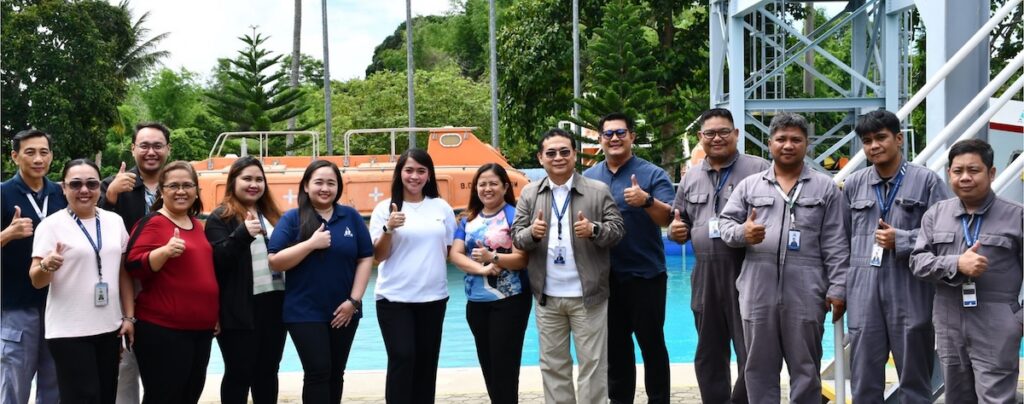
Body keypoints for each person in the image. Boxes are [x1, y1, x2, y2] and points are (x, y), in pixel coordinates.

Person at [718, 113, 848, 404]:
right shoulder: (750, 186)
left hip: (807, 288)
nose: (788, 145)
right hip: (757, 287)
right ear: (770, 144)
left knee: (806, 368)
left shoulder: (825, 188)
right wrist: (743, 233)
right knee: (758, 368)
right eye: (781, 139)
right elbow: (725, 225)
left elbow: (837, 243)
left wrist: (838, 287)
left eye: (796, 140)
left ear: (807, 144)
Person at [842, 109, 951, 403]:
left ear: (899, 139)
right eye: (867, 141)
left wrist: (902, 239)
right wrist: (840, 289)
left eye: (881, 138)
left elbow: (946, 235)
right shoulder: (853, 185)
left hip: (911, 288)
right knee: (864, 379)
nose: (874, 146)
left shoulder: (927, 182)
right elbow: (839, 242)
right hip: (863, 291)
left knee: (915, 379)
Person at [511, 128, 625, 404]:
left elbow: (618, 231)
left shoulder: (597, 191)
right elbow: (516, 236)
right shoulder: (529, 193)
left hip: (589, 296)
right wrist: (532, 233)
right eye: (551, 153)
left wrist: (594, 230)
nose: (558, 157)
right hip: (547, 297)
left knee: (593, 366)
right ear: (540, 158)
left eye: (565, 151)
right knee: (553, 366)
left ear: (575, 154)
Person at [910, 139, 1023, 403]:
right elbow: (918, 262)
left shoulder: (1016, 216)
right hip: (948, 317)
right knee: (957, 396)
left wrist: (1017, 320)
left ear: (991, 173)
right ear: (949, 173)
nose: (965, 177)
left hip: (996, 318)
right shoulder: (936, 214)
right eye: (958, 171)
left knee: (996, 398)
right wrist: (955, 264)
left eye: (974, 170)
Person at [669, 108, 769, 403]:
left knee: (752, 350)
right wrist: (676, 230)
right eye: (710, 133)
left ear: (736, 134)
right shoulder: (691, 176)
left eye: (724, 132)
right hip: (705, 273)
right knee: (709, 352)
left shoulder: (758, 169)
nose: (717, 138)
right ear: (700, 137)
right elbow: (680, 219)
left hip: (749, 269)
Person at [581, 112, 674, 404]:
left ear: (632, 136)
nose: (614, 138)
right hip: (605, 278)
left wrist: (647, 201)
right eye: (608, 134)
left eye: (621, 132)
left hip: (645, 275)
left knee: (652, 345)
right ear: (600, 139)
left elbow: (668, 218)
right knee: (615, 349)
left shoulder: (653, 174)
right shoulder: (588, 178)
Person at [28, 159, 135, 404]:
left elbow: (123, 273)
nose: (84, 190)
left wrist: (129, 317)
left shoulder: (114, 221)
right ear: (63, 188)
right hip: (68, 330)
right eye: (75, 184)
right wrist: (46, 266)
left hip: (108, 326)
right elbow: (36, 280)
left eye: (92, 184)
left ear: (100, 187)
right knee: (82, 397)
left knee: (106, 395)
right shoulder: (51, 226)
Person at [268, 160, 373, 403]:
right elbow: (275, 261)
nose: (325, 188)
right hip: (304, 311)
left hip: (344, 310)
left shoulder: (350, 217)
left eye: (331, 183)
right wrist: (310, 244)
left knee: (336, 373)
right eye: (319, 182)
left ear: (338, 187)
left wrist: (353, 301)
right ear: (306, 186)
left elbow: (365, 258)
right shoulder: (292, 219)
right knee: (318, 371)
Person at [125, 161, 218, 404]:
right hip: (164, 328)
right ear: (162, 191)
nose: (181, 191)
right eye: (174, 186)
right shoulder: (153, 222)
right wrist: (164, 252)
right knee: (164, 397)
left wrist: (214, 313)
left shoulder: (197, 225)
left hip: (201, 329)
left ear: (196, 190)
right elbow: (132, 265)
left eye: (187, 185)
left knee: (189, 395)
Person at [369, 149, 456, 403]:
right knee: (402, 357)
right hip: (394, 298)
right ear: (400, 173)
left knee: (427, 363)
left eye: (421, 171)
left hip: (433, 297)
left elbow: (449, 250)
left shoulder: (441, 207)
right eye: (409, 170)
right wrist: (389, 229)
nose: (414, 176)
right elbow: (378, 256)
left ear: (429, 175)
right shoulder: (384, 208)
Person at [99, 122, 172, 404]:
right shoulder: (113, 184)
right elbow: (93, 228)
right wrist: (110, 197)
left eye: (157, 145)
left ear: (168, 149)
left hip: (166, 284)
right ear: (132, 149)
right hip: (125, 282)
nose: (151, 152)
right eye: (144, 145)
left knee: (164, 368)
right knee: (125, 366)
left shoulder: (177, 183)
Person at [204, 157, 286, 404]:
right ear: (233, 181)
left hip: (275, 303)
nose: (254, 184)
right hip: (239, 308)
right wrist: (242, 234)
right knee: (239, 373)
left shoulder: (273, 216)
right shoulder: (220, 217)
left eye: (259, 179)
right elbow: (218, 260)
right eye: (247, 178)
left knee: (268, 372)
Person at [448, 163, 532, 404]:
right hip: (476, 302)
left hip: (509, 302)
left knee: (505, 365)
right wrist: (482, 268)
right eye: (482, 184)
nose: (487, 188)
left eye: (493, 183)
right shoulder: (468, 219)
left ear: (505, 187)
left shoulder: (514, 216)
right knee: (488, 365)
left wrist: (493, 257)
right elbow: (455, 254)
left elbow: (522, 259)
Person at [1, 129, 63, 404]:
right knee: (15, 385)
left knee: (54, 385)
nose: (38, 159)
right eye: (30, 152)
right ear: (15, 156)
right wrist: (6, 234)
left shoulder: (61, 193)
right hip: (16, 306)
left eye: (44, 152)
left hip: (58, 304)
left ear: (51, 156)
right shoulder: (3, 193)